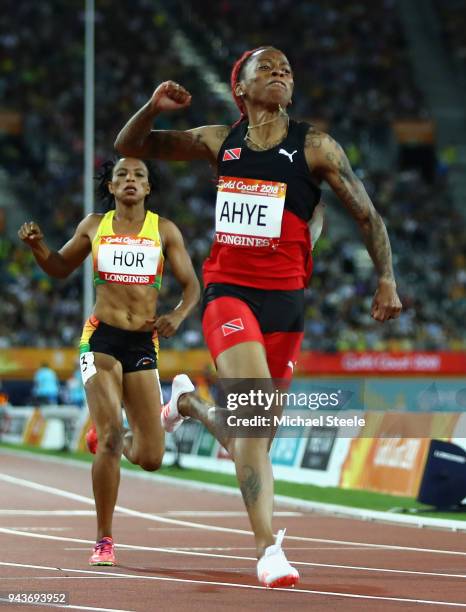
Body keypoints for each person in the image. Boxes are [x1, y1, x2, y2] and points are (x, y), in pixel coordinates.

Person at [115, 46, 402, 588]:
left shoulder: (315, 147)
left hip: (287, 301)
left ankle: (188, 403)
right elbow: (130, 146)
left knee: (253, 439)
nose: (279, 74)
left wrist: (386, 277)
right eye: (266, 68)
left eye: (287, 70)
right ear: (240, 88)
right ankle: (268, 549)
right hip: (229, 294)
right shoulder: (218, 141)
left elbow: (367, 215)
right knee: (250, 428)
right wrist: (152, 108)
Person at [18, 157, 200, 566]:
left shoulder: (164, 230)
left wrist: (177, 314)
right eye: (122, 175)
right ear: (111, 187)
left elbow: (192, 286)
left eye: (139, 175)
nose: (130, 180)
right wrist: (38, 248)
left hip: (142, 343)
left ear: (149, 188)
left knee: (152, 457)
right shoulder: (94, 225)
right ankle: (104, 538)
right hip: (100, 338)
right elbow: (61, 267)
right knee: (114, 437)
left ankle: (161, 414)